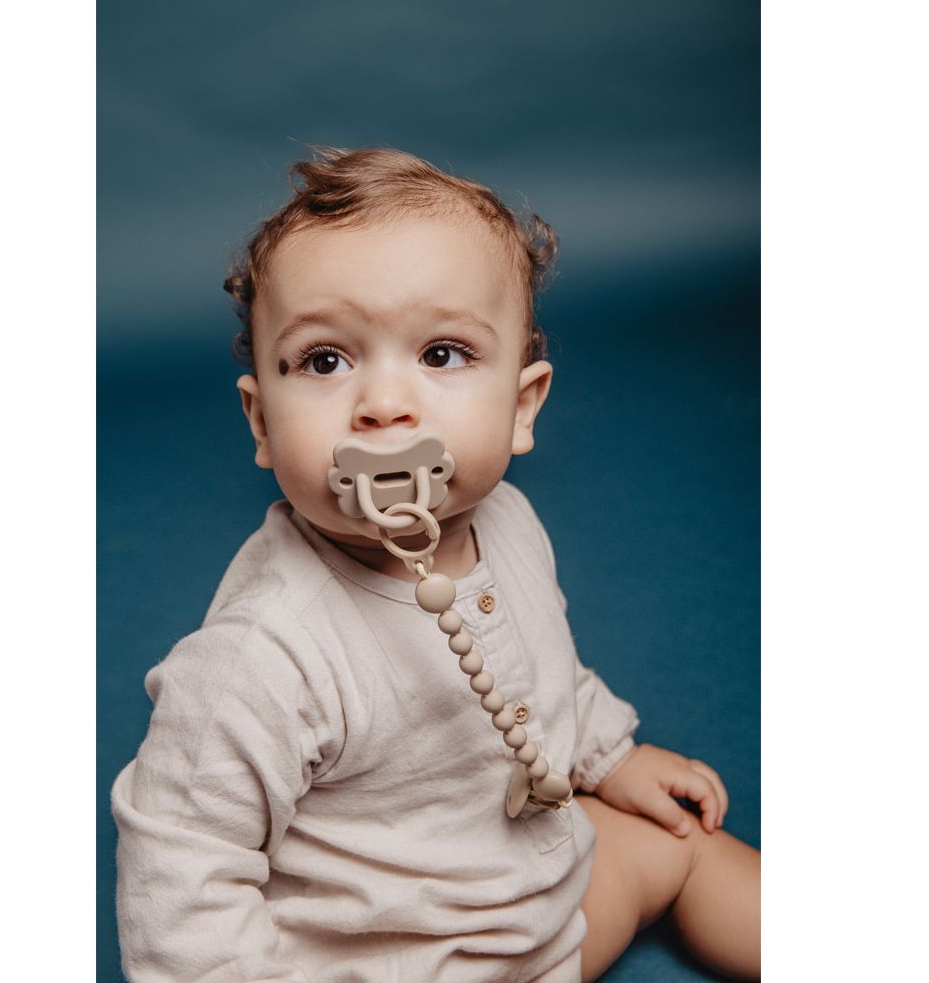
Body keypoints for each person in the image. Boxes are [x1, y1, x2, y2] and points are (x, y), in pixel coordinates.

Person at [112, 147, 760, 982]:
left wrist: (609, 755)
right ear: (262, 422)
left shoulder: (511, 522)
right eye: (325, 360)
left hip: (539, 912)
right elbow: (178, 879)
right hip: (387, 964)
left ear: (521, 407)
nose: (385, 405)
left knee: (686, 845)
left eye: (443, 354)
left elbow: (543, 669)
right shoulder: (260, 655)